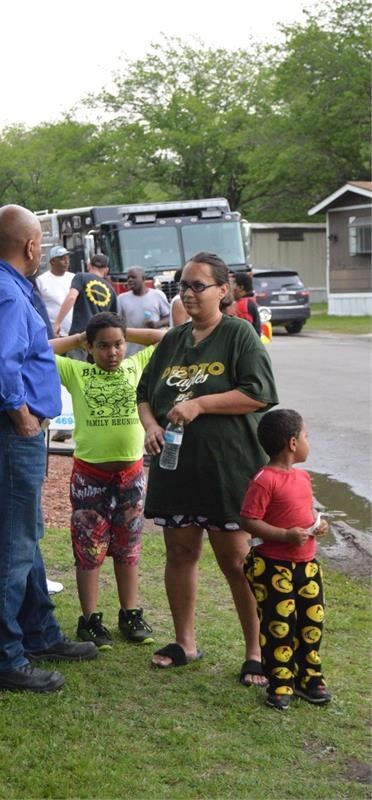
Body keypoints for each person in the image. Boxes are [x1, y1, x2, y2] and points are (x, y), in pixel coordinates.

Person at [0, 204, 97, 694]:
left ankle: (38, 632)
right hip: (5, 431)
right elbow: (0, 362)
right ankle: (4, 658)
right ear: (31, 246)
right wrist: (21, 415)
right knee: (9, 548)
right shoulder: (5, 293)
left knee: (23, 536)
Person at [137, 251, 279, 684]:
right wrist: (150, 426)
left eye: (198, 285)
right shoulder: (173, 340)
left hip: (228, 469)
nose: (188, 293)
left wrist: (200, 404)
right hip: (177, 469)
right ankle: (185, 642)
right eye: (182, 285)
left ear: (224, 289)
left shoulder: (239, 335)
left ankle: (256, 652)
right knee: (181, 552)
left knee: (235, 560)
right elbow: (144, 394)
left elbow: (259, 393)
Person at [49, 312, 165, 650]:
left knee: (128, 548)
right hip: (90, 477)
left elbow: (166, 338)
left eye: (118, 345)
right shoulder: (76, 372)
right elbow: (35, 350)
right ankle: (90, 619)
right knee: (89, 549)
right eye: (103, 346)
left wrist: (128, 334)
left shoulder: (134, 366)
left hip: (130, 475)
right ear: (90, 348)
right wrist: (77, 338)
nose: (112, 352)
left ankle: (130, 613)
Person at [241, 409, 331, 710]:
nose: (308, 441)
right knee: (280, 625)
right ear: (292, 443)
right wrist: (283, 536)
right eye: (306, 436)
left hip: (307, 565)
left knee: (311, 622)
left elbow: (306, 511)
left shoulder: (303, 477)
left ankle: (309, 677)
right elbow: (249, 521)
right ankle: (280, 681)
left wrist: (318, 524)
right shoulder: (265, 480)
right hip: (273, 566)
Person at [53, 254, 117, 359]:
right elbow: (113, 320)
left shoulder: (81, 277)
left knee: (75, 372)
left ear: (88, 265)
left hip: (79, 337)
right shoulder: (111, 290)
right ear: (106, 270)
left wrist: (57, 322)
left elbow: (71, 298)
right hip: (100, 339)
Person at [117, 266, 170, 355]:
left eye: (133, 277)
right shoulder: (121, 299)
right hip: (132, 351)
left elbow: (169, 317)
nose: (129, 280)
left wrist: (157, 324)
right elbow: (117, 323)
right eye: (128, 278)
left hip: (155, 349)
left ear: (143, 278)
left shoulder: (157, 295)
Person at [36, 245, 74, 336]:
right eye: (62, 259)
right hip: (54, 334)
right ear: (52, 261)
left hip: (74, 333)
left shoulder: (73, 278)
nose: (66, 262)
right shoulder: (41, 281)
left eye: (67, 258)